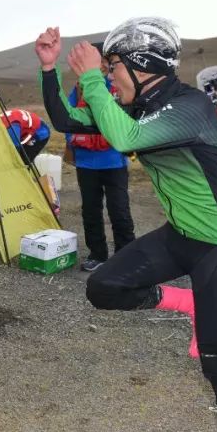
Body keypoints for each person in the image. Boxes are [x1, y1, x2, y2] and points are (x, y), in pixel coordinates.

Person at [36, 18, 217, 432]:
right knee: (104, 286)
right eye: (108, 68)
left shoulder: (189, 108)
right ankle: (189, 304)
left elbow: (124, 139)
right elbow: (68, 122)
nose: (108, 75)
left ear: (141, 66)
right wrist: (50, 70)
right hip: (183, 234)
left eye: (113, 66)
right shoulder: (141, 105)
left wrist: (93, 80)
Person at [64, 50, 135, 272]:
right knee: (91, 211)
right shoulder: (79, 88)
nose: (103, 66)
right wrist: (72, 140)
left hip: (114, 162)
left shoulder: (117, 87)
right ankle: (97, 255)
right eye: (99, 62)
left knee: (119, 210)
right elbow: (67, 117)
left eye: (105, 62)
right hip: (86, 164)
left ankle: (126, 255)